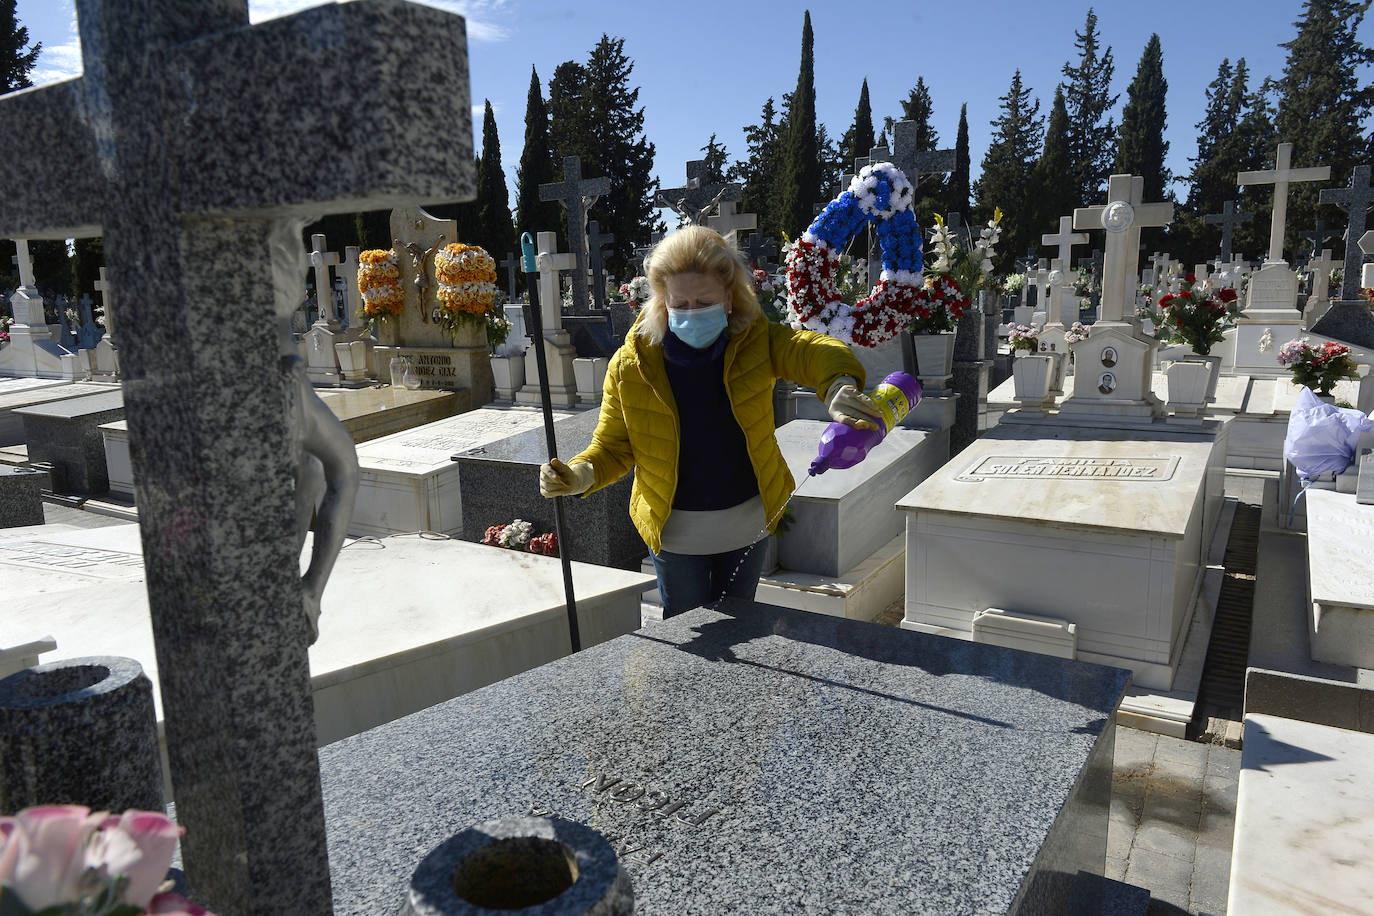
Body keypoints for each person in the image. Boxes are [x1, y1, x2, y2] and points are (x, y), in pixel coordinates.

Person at [538, 226, 880, 616]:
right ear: (661, 301)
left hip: (746, 524)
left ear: (729, 298)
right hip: (676, 535)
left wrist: (837, 383)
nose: (690, 313)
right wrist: (580, 475)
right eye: (679, 304)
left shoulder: (756, 342)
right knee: (688, 634)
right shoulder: (631, 366)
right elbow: (614, 447)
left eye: (704, 302)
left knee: (742, 622)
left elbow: (810, 351)